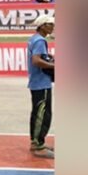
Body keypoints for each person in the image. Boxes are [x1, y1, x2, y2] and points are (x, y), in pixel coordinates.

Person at [27, 15, 55, 158]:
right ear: (42, 26)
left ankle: (36, 142)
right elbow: (36, 61)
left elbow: (39, 56)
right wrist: (54, 65)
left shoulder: (34, 38)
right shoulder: (40, 40)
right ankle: (38, 146)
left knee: (38, 113)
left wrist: (48, 57)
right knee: (42, 115)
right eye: (50, 24)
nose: (53, 27)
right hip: (41, 83)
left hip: (36, 82)